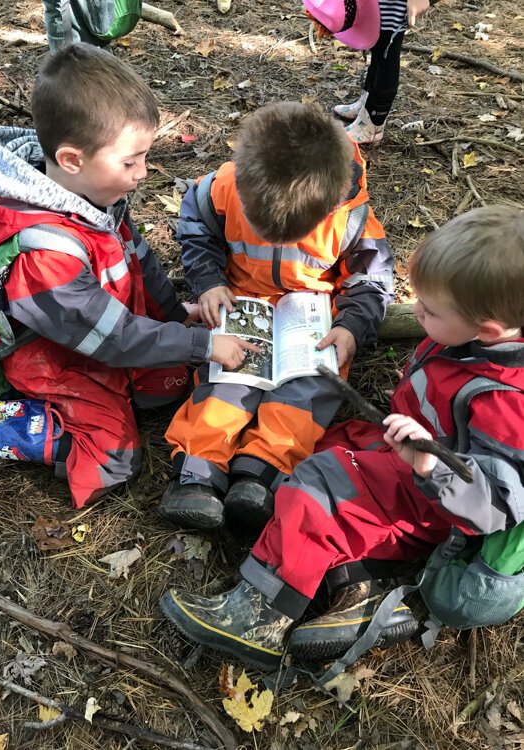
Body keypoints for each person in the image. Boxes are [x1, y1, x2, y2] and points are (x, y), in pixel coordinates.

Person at [160, 205, 524, 670]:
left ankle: (260, 613)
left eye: (429, 311)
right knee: (334, 443)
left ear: (489, 330)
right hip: (404, 451)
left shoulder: (505, 399)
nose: (415, 311)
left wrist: (430, 463)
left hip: (436, 495)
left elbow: (499, 499)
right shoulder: (474, 341)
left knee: (322, 480)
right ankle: (356, 589)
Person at [0, 43, 254, 508]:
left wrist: (178, 315)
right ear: (73, 159)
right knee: (113, 460)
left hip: (102, 331)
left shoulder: (95, 198)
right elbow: (111, 338)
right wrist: (199, 343)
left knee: (173, 381)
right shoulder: (47, 254)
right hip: (58, 359)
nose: (142, 172)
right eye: (130, 162)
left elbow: (141, 266)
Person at [158, 101, 394, 531]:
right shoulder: (221, 188)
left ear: (328, 207)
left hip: (313, 320)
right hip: (240, 302)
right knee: (225, 382)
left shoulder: (351, 214)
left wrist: (351, 327)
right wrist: (209, 282)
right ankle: (197, 471)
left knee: (307, 392)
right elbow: (197, 232)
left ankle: (261, 470)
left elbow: (370, 281)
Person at [332, 0, 440, 144]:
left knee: (386, 57)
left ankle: (373, 123)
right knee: (377, 51)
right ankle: (366, 105)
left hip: (394, 6)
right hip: (378, 5)